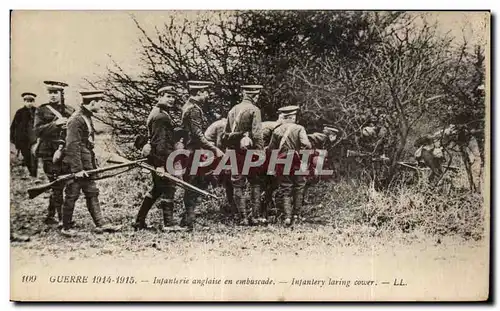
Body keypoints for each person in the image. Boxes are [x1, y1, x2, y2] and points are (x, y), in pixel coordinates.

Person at [60, 90, 121, 237]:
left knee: (92, 193)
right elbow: (72, 145)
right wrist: (77, 169)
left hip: (86, 165)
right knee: (72, 195)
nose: (101, 105)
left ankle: (101, 224)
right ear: (92, 102)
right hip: (77, 166)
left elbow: (86, 143)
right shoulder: (76, 119)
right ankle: (66, 227)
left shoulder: (85, 117)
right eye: (100, 102)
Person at [134, 85, 184, 232]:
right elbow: (160, 143)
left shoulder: (159, 113)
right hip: (161, 158)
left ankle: (139, 221)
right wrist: (160, 165)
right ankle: (168, 224)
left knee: (157, 190)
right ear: (159, 96)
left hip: (157, 158)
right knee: (169, 188)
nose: (171, 99)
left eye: (173, 96)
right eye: (168, 96)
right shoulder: (160, 116)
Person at [181, 80, 224, 231]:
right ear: (198, 93)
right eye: (205, 92)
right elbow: (197, 135)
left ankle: (188, 219)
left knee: (192, 184)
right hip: (193, 151)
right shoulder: (193, 109)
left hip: (191, 150)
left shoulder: (189, 106)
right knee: (193, 184)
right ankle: (189, 222)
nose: (207, 95)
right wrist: (214, 149)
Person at [33, 80, 75, 225]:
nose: (52, 95)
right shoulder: (41, 110)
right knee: (56, 183)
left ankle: (51, 215)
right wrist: (55, 124)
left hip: (65, 151)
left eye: (55, 92)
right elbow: (37, 131)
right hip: (49, 152)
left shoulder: (70, 110)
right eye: (50, 92)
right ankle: (62, 219)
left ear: (61, 94)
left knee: (61, 183)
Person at [223, 84, 264, 226]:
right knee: (255, 182)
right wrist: (260, 152)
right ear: (255, 95)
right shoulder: (254, 110)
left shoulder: (233, 110)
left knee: (237, 185)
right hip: (249, 151)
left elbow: (226, 134)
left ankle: (242, 218)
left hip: (234, 151)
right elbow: (257, 134)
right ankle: (255, 216)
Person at [267, 105, 311, 227]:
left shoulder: (277, 130)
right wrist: (304, 161)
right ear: (293, 117)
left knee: (285, 188)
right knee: (299, 187)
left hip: (281, 161)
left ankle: (287, 217)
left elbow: (271, 149)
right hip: (296, 160)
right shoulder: (299, 128)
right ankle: (297, 215)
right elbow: (306, 145)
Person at [204, 117, 236, 216]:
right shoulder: (223, 125)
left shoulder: (225, 124)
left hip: (212, 149)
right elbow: (219, 144)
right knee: (223, 174)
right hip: (209, 149)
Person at [10, 92, 38, 177]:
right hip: (23, 140)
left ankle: (34, 174)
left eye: (31, 101)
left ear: (33, 102)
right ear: (24, 101)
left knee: (34, 156)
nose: (29, 103)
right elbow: (13, 126)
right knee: (27, 156)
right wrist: (13, 139)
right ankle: (30, 171)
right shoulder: (19, 112)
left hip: (34, 139)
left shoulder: (37, 111)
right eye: (27, 101)